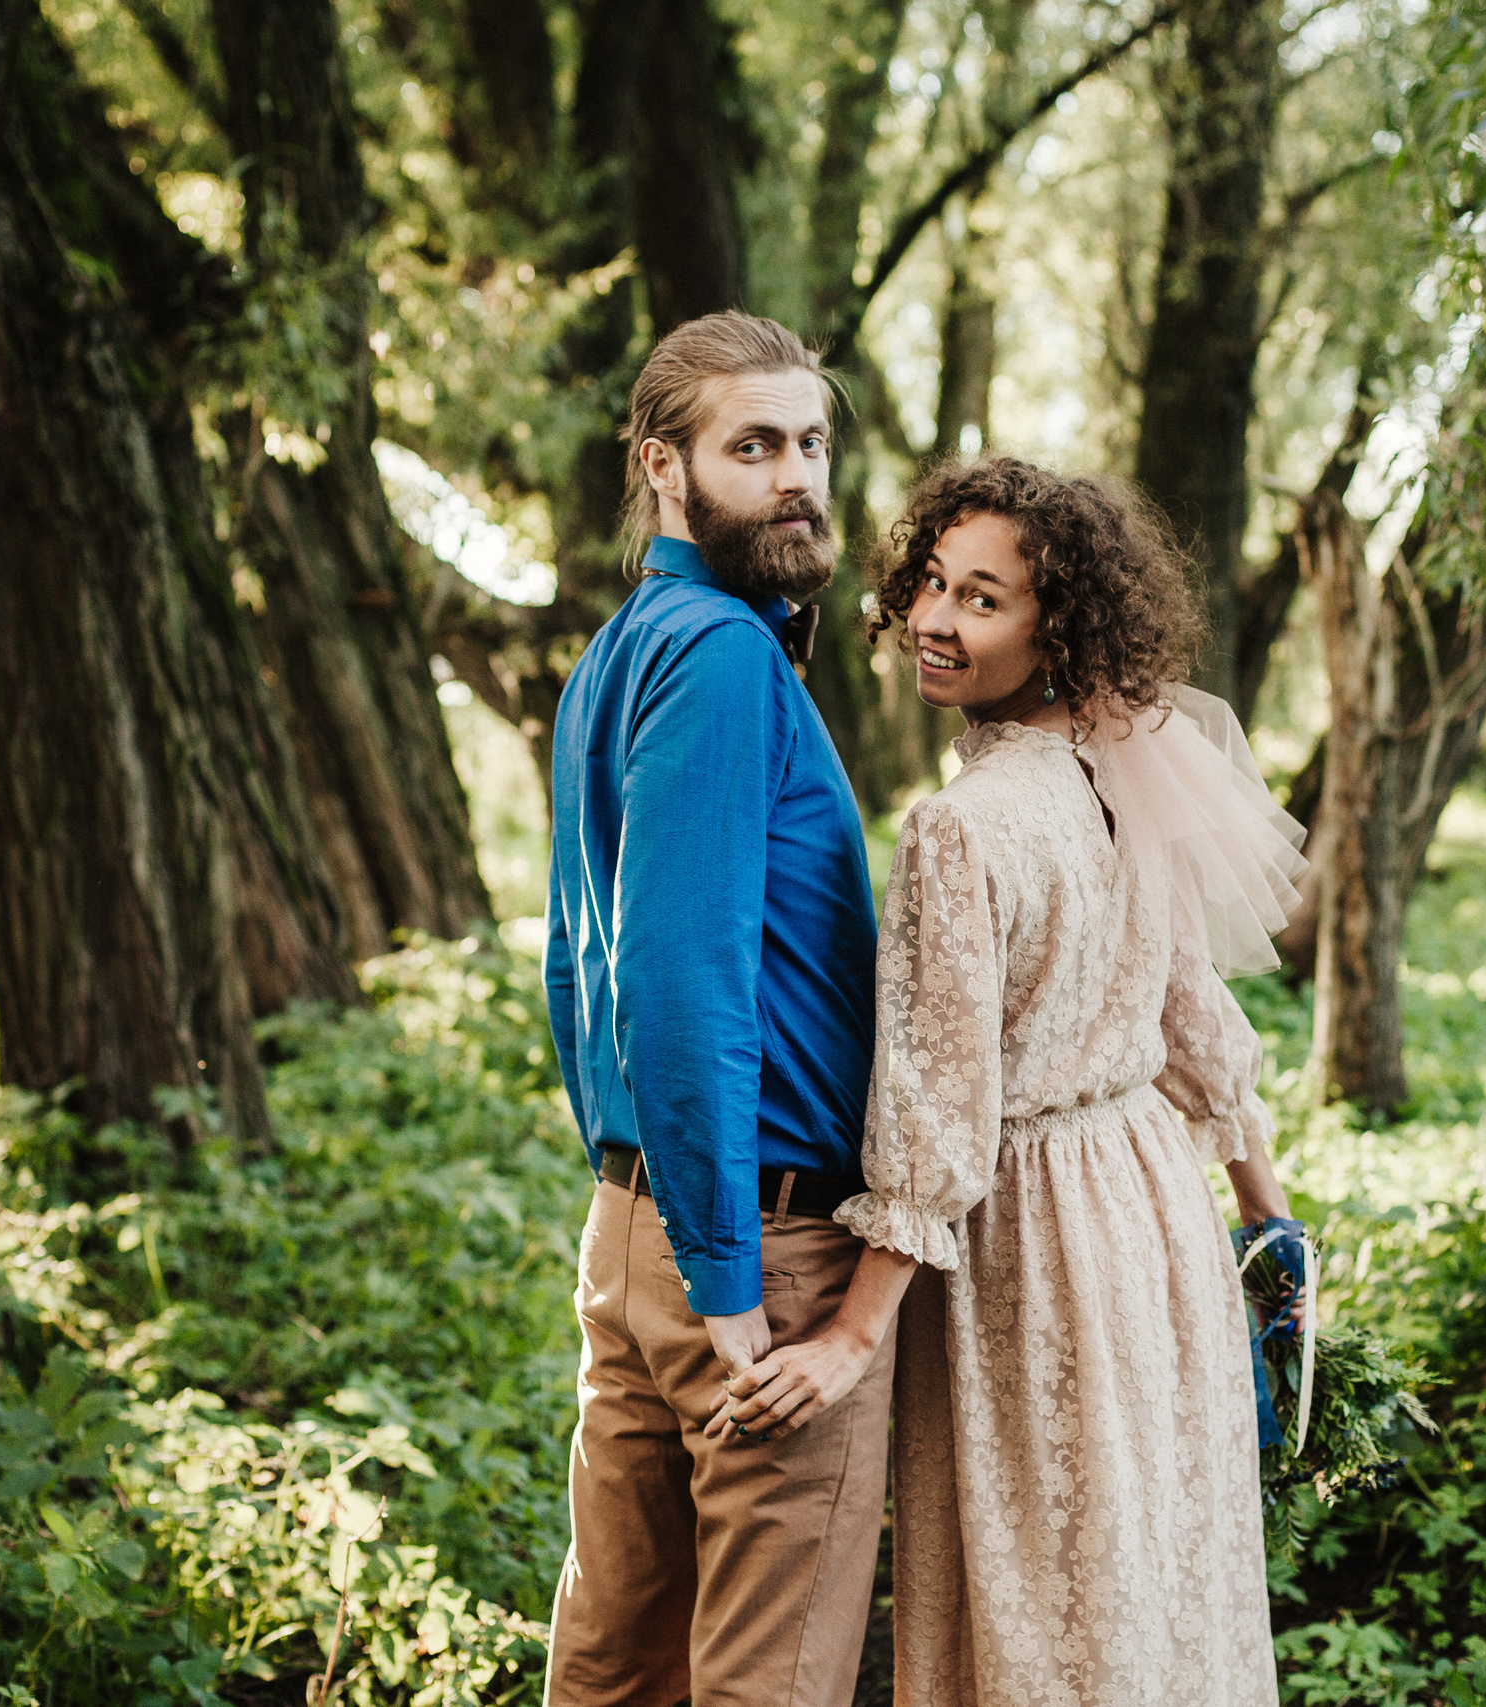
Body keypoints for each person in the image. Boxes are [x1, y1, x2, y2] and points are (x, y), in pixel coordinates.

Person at [709, 456, 1309, 1706]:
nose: (934, 619)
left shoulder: (961, 826)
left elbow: (937, 1112)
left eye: (983, 600)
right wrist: (1267, 1220)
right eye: (931, 583)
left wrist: (851, 1335)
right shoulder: (1126, 758)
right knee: (1148, 1571)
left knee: (1039, 1586)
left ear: (1059, 625)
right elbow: (1196, 1018)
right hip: (1154, 1215)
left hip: (1032, 1241)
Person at [540, 310, 892, 1707]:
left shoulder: (625, 648)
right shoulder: (724, 655)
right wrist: (733, 1276)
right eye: (754, 446)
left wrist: (656, 1227)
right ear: (662, 467)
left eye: (810, 442)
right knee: (767, 1676)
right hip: (755, 1240)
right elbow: (677, 983)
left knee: (615, 1663)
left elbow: (582, 966)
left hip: (636, 1229)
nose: (797, 474)